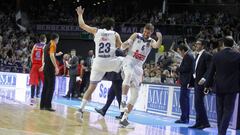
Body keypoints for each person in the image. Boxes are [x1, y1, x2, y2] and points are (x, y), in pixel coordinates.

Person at [75, 6, 124, 122]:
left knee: (91, 87)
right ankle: (130, 83)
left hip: (98, 63)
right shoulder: (115, 33)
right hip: (111, 62)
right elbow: (121, 47)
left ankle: (80, 109)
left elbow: (82, 25)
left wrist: (80, 14)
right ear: (112, 26)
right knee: (126, 61)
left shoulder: (97, 31)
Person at [119, 23, 162, 128]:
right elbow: (126, 43)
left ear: (151, 32)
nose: (146, 33)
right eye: (145, 31)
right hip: (129, 61)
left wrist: (160, 37)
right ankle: (123, 101)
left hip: (139, 67)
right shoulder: (136, 35)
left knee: (135, 96)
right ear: (143, 30)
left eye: (149, 32)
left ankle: (124, 119)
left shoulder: (151, 41)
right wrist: (124, 45)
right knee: (128, 75)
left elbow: (157, 45)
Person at [205, 37, 240, 135]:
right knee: (228, 110)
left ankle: (221, 132)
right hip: (232, 87)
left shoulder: (216, 55)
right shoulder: (238, 55)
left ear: (223, 44)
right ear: (233, 44)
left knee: (220, 110)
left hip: (219, 86)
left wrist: (207, 85)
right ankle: (221, 132)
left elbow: (211, 72)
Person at [94, 48, 125, 118]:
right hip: (116, 78)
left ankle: (123, 114)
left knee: (119, 97)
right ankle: (104, 110)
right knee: (111, 95)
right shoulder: (119, 56)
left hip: (118, 79)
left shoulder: (119, 57)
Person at [188, 39, 211, 129]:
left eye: (198, 44)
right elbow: (195, 68)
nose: (196, 45)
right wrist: (192, 80)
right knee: (197, 103)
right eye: (196, 44)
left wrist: (204, 78)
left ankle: (205, 123)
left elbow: (210, 69)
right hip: (196, 81)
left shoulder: (207, 55)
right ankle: (198, 122)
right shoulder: (197, 55)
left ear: (203, 46)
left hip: (202, 82)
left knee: (199, 103)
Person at [175, 44, 195, 124]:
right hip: (186, 81)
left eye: (179, 51)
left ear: (183, 50)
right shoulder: (188, 56)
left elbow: (186, 69)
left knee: (184, 100)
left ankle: (184, 118)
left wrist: (177, 68)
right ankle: (184, 118)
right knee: (184, 100)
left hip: (186, 81)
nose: (179, 53)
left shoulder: (187, 56)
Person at [40, 33, 59, 112]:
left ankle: (42, 105)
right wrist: (56, 67)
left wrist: (43, 65)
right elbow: (51, 55)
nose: (58, 41)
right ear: (56, 39)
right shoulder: (53, 44)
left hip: (46, 68)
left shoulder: (46, 45)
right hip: (50, 68)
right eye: (58, 39)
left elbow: (45, 56)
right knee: (51, 87)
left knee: (45, 87)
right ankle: (48, 106)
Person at [29, 34, 46, 105]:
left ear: (39, 39)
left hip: (34, 65)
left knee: (33, 81)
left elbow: (31, 54)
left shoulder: (35, 45)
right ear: (45, 39)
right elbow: (43, 56)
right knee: (42, 81)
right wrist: (43, 65)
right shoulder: (45, 46)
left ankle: (32, 97)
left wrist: (33, 62)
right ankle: (38, 95)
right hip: (41, 65)